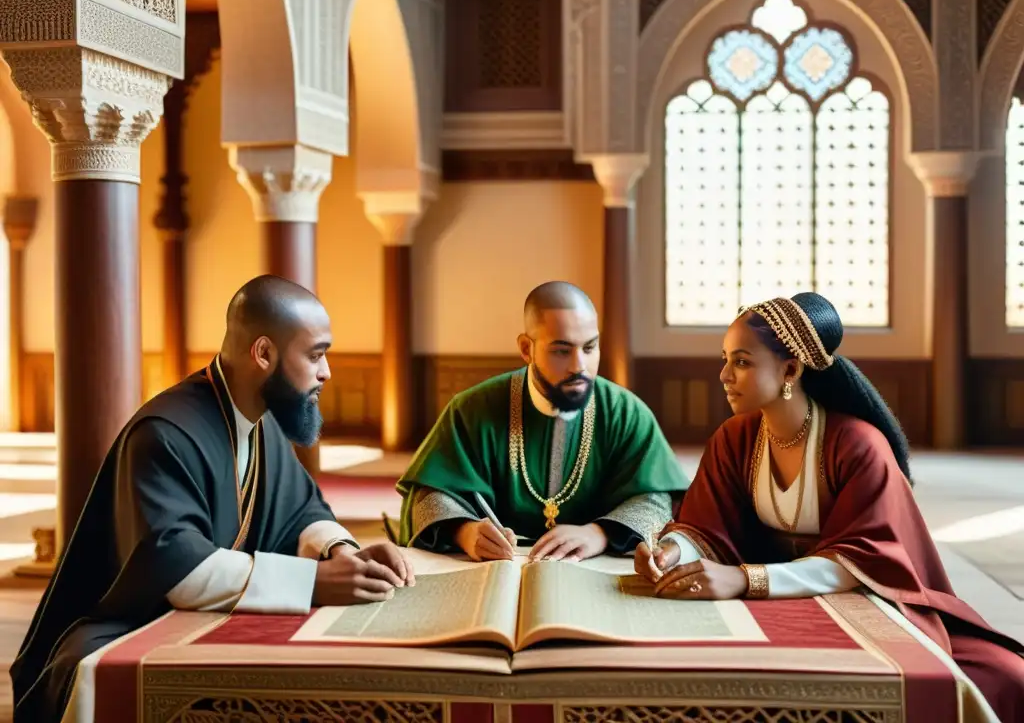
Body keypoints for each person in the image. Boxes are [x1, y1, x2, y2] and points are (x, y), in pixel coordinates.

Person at [11, 275, 415, 723]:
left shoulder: (257, 420)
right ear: (263, 353)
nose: (327, 372)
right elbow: (174, 561)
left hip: (208, 617)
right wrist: (313, 581)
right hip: (130, 624)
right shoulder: (166, 432)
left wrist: (342, 552)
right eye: (316, 355)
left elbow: (301, 510)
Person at [634, 292, 1024, 721]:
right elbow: (705, 525)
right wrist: (672, 552)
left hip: (863, 599)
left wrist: (747, 580)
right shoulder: (735, 438)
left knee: (999, 677)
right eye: (725, 359)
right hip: (774, 600)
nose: (724, 375)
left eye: (741, 362)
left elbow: (866, 560)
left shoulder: (857, 445)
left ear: (790, 369)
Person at [397, 281, 689, 562]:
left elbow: (657, 497)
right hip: (496, 566)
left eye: (589, 348)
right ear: (527, 349)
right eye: (562, 350)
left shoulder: (626, 412)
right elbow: (427, 496)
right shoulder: (472, 408)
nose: (579, 366)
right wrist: (464, 532)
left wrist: (600, 533)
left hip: (592, 567)